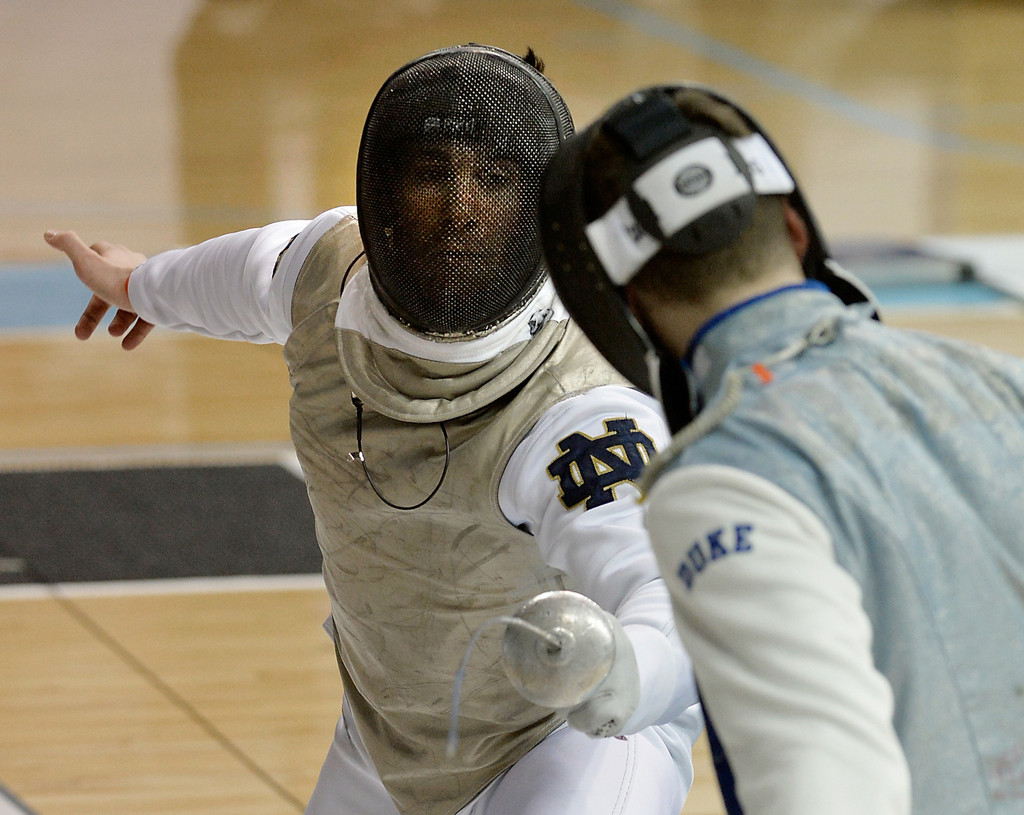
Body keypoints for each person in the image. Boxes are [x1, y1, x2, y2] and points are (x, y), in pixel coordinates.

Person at [44, 45, 704, 815]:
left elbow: (669, 589)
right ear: (386, 193)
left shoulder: (580, 408)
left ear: (539, 208)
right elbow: (243, 276)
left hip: (573, 739)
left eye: (493, 181)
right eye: (432, 174)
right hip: (390, 734)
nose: (460, 206)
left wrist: (622, 671)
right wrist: (138, 284)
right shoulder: (328, 272)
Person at [537, 82, 1024, 815]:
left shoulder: (721, 484)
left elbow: (822, 782)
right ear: (796, 229)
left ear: (629, 304)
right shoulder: (999, 381)